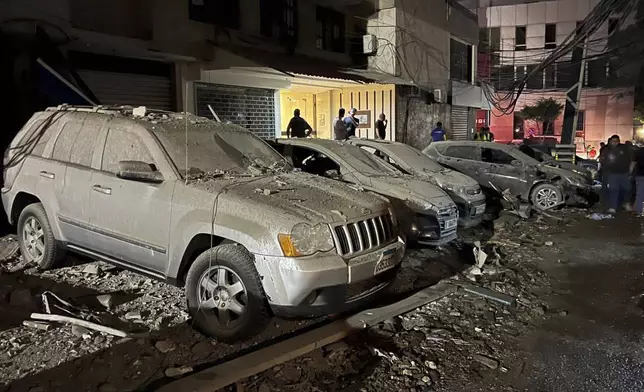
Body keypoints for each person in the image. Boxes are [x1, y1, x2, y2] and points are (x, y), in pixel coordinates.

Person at [600, 135, 633, 214]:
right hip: (612, 173)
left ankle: (625, 203)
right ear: (610, 141)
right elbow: (602, 159)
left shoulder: (624, 149)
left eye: (616, 141)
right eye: (613, 141)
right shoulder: (607, 149)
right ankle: (613, 207)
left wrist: (629, 171)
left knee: (627, 189)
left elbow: (631, 159)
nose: (614, 143)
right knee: (613, 190)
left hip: (623, 173)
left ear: (618, 141)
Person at [634, 144, 644, 215]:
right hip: (640, 174)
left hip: (640, 174)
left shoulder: (639, 151)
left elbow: (633, 162)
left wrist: (630, 172)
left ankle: (638, 210)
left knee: (640, 194)